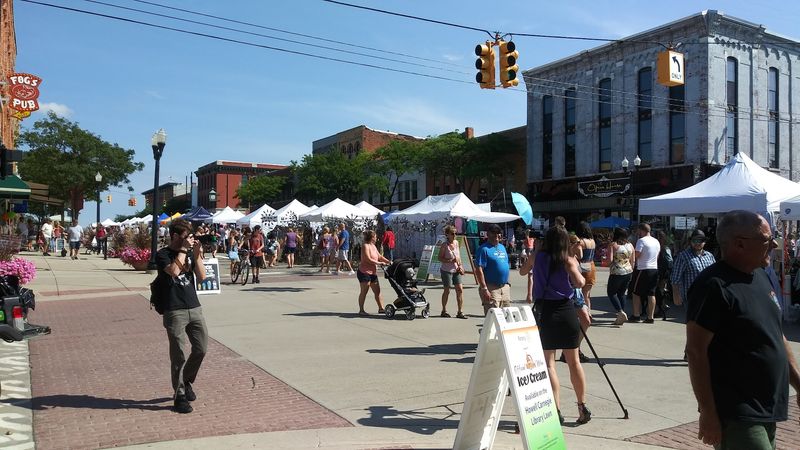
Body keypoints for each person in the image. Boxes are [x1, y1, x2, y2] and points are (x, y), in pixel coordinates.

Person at [686, 210, 800, 449]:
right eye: (767, 239)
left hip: (768, 408)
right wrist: (707, 412)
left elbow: (775, 335)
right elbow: (696, 352)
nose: (775, 244)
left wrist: (798, 383)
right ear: (739, 244)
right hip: (738, 413)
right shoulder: (713, 285)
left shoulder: (759, 276)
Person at [531, 225, 591, 425]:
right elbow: (581, 282)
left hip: (545, 312)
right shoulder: (567, 260)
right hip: (566, 312)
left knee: (549, 364)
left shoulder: (538, 257)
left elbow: (524, 270)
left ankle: (555, 409)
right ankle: (582, 406)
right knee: (574, 362)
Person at [154, 219, 208, 414]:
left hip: (194, 306)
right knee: (178, 354)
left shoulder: (190, 252)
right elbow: (174, 272)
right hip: (174, 309)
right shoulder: (162, 254)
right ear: (175, 236)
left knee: (201, 348)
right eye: (186, 237)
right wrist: (184, 251)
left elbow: (202, 277)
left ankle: (186, 380)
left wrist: (197, 254)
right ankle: (180, 395)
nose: (189, 240)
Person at [671, 229, 716, 308]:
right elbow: (675, 278)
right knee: (692, 320)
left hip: (708, 297)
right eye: (695, 240)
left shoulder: (709, 256)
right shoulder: (683, 256)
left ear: (704, 242)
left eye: (700, 240)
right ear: (690, 241)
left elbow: (715, 275)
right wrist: (676, 295)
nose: (698, 243)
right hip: (691, 298)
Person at [474, 224, 510, 315]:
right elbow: (479, 269)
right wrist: (484, 289)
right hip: (491, 288)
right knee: (493, 318)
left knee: (506, 317)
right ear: (488, 234)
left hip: (504, 287)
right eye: (494, 234)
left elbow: (504, 264)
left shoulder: (502, 247)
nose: (497, 237)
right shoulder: (484, 249)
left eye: (499, 234)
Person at [630, 223, 660, 323]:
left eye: (638, 231)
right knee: (651, 293)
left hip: (642, 269)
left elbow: (637, 255)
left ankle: (636, 315)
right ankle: (650, 317)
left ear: (641, 230)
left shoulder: (641, 240)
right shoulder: (656, 241)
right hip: (654, 269)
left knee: (635, 293)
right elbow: (657, 255)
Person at [356, 230, 390, 316]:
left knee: (377, 291)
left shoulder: (373, 246)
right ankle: (361, 310)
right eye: (375, 236)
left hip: (373, 273)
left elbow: (379, 256)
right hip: (364, 272)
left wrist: (389, 261)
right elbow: (367, 259)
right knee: (364, 291)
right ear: (372, 237)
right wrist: (379, 263)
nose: (376, 238)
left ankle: (381, 308)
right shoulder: (365, 246)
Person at [606, 227, 634, 325]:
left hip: (617, 272)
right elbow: (633, 260)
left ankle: (620, 312)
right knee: (621, 294)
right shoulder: (630, 245)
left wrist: (605, 259)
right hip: (628, 271)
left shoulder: (613, 245)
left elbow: (609, 261)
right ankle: (620, 316)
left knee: (611, 293)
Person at [438, 225, 466, 319]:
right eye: (452, 234)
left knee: (460, 289)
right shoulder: (444, 245)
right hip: (446, 270)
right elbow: (440, 258)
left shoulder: (456, 242)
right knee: (447, 290)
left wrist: (461, 266)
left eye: (455, 233)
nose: (454, 235)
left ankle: (460, 312)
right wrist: (450, 261)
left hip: (456, 269)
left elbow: (458, 256)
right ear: (447, 234)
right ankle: (444, 310)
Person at [574, 221, 597, 311]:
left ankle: (583, 313)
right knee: (587, 293)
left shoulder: (580, 242)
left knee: (581, 293)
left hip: (582, 266)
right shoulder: (593, 241)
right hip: (591, 265)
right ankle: (589, 311)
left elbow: (579, 256)